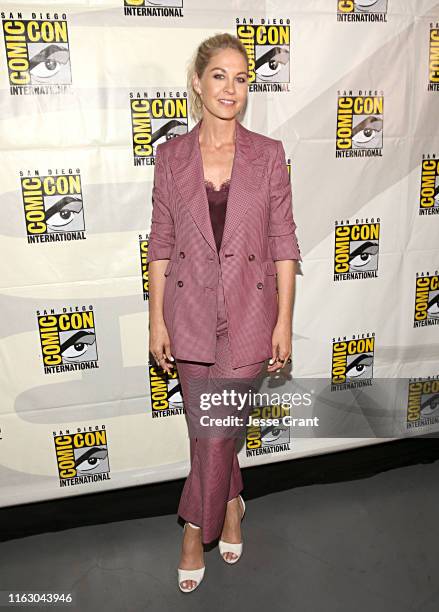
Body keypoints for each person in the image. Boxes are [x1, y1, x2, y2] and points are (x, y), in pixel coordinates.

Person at [146, 33, 302, 593]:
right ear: (197, 81)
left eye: (241, 77)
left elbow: (284, 241)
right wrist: (156, 319)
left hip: (250, 314)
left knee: (214, 433)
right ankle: (232, 500)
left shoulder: (268, 153)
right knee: (206, 430)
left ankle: (195, 526)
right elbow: (160, 242)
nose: (230, 87)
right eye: (219, 75)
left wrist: (284, 320)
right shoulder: (170, 157)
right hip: (186, 315)